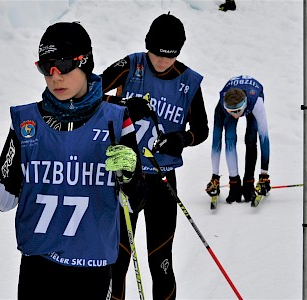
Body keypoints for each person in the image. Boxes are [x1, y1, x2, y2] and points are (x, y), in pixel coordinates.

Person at [0, 21, 146, 299]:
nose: (55, 77)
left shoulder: (116, 120)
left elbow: (135, 201)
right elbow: (5, 200)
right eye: (45, 67)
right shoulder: (27, 122)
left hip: (91, 268)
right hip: (38, 267)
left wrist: (129, 175)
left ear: (85, 63)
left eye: (63, 65)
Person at [101, 12, 209, 300]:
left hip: (162, 180)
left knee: (160, 262)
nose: (161, 61)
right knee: (117, 260)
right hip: (126, 178)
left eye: (169, 56)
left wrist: (181, 139)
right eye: (156, 53)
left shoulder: (189, 81)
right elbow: (87, 94)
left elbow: (202, 130)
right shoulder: (131, 64)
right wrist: (123, 103)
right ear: (147, 45)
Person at [205, 75, 271, 203]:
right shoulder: (222, 106)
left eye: (237, 111)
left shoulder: (256, 103)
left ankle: (248, 181)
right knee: (229, 139)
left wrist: (264, 175)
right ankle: (234, 182)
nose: (235, 115)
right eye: (230, 111)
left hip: (252, 98)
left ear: (244, 104)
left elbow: (264, 139)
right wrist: (215, 177)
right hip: (235, 101)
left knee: (251, 139)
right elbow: (216, 143)